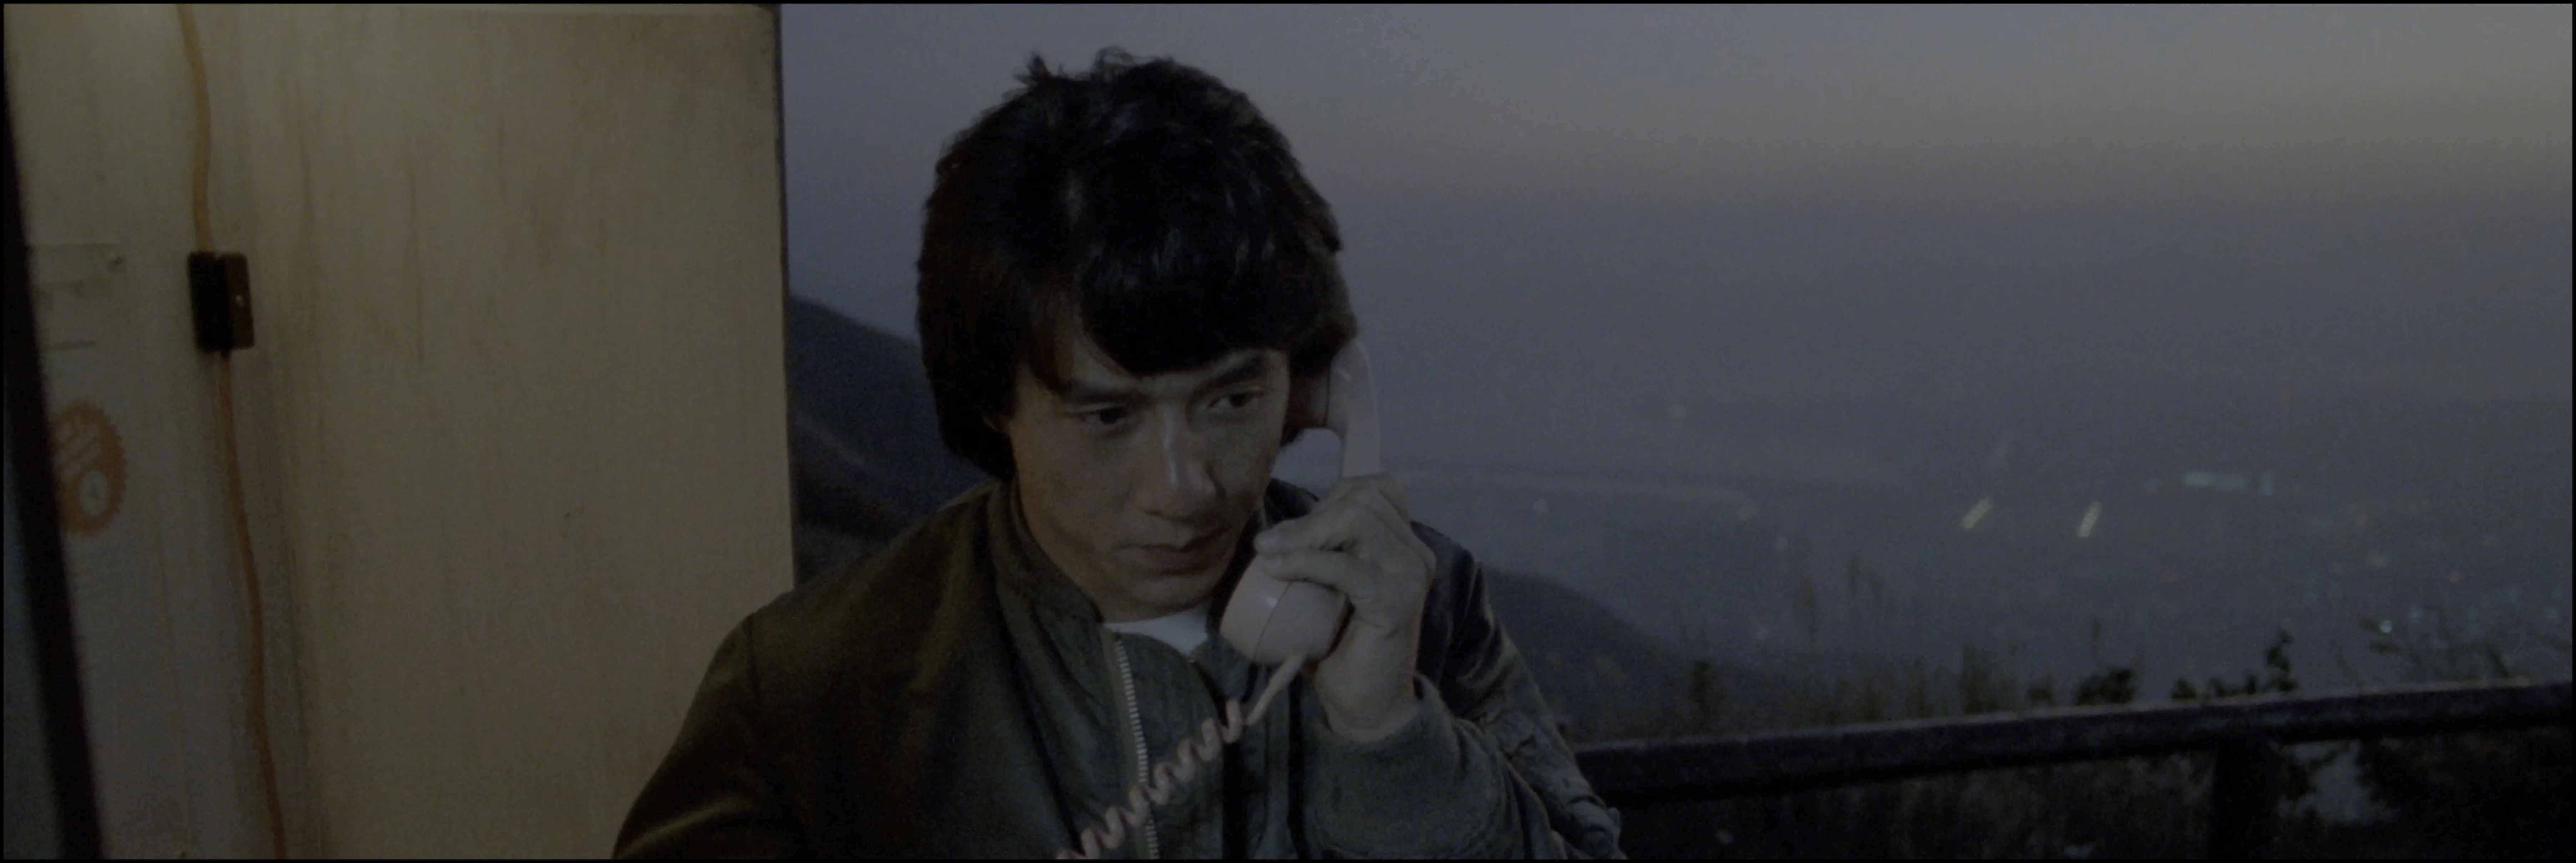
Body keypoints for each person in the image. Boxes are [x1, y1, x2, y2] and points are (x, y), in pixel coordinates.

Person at [615, 49, 1623, 858]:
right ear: (995, 402)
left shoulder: (1427, 606)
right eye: (1107, 417)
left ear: (1312, 389)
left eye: (1232, 399)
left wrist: (1390, 738)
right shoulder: (812, 682)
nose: (1186, 488)